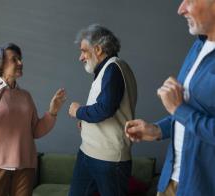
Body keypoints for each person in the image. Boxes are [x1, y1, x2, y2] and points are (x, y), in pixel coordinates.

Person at [125, 0, 215, 195]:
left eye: (189, 1)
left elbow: (183, 110)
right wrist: (158, 130)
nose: (180, 9)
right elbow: (190, 113)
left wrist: (178, 109)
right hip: (170, 183)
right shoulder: (199, 46)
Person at [0, 43, 66, 196]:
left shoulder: (25, 96)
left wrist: (52, 112)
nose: (20, 63)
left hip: (25, 166)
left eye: (20, 59)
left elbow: (35, 131)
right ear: (0, 64)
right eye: (14, 59)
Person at [68, 24, 137, 196]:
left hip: (109, 160)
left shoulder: (114, 68)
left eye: (84, 51)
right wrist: (86, 122)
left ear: (97, 49)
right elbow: (105, 108)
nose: (80, 57)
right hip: (89, 153)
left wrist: (78, 111)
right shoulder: (107, 69)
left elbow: (105, 109)